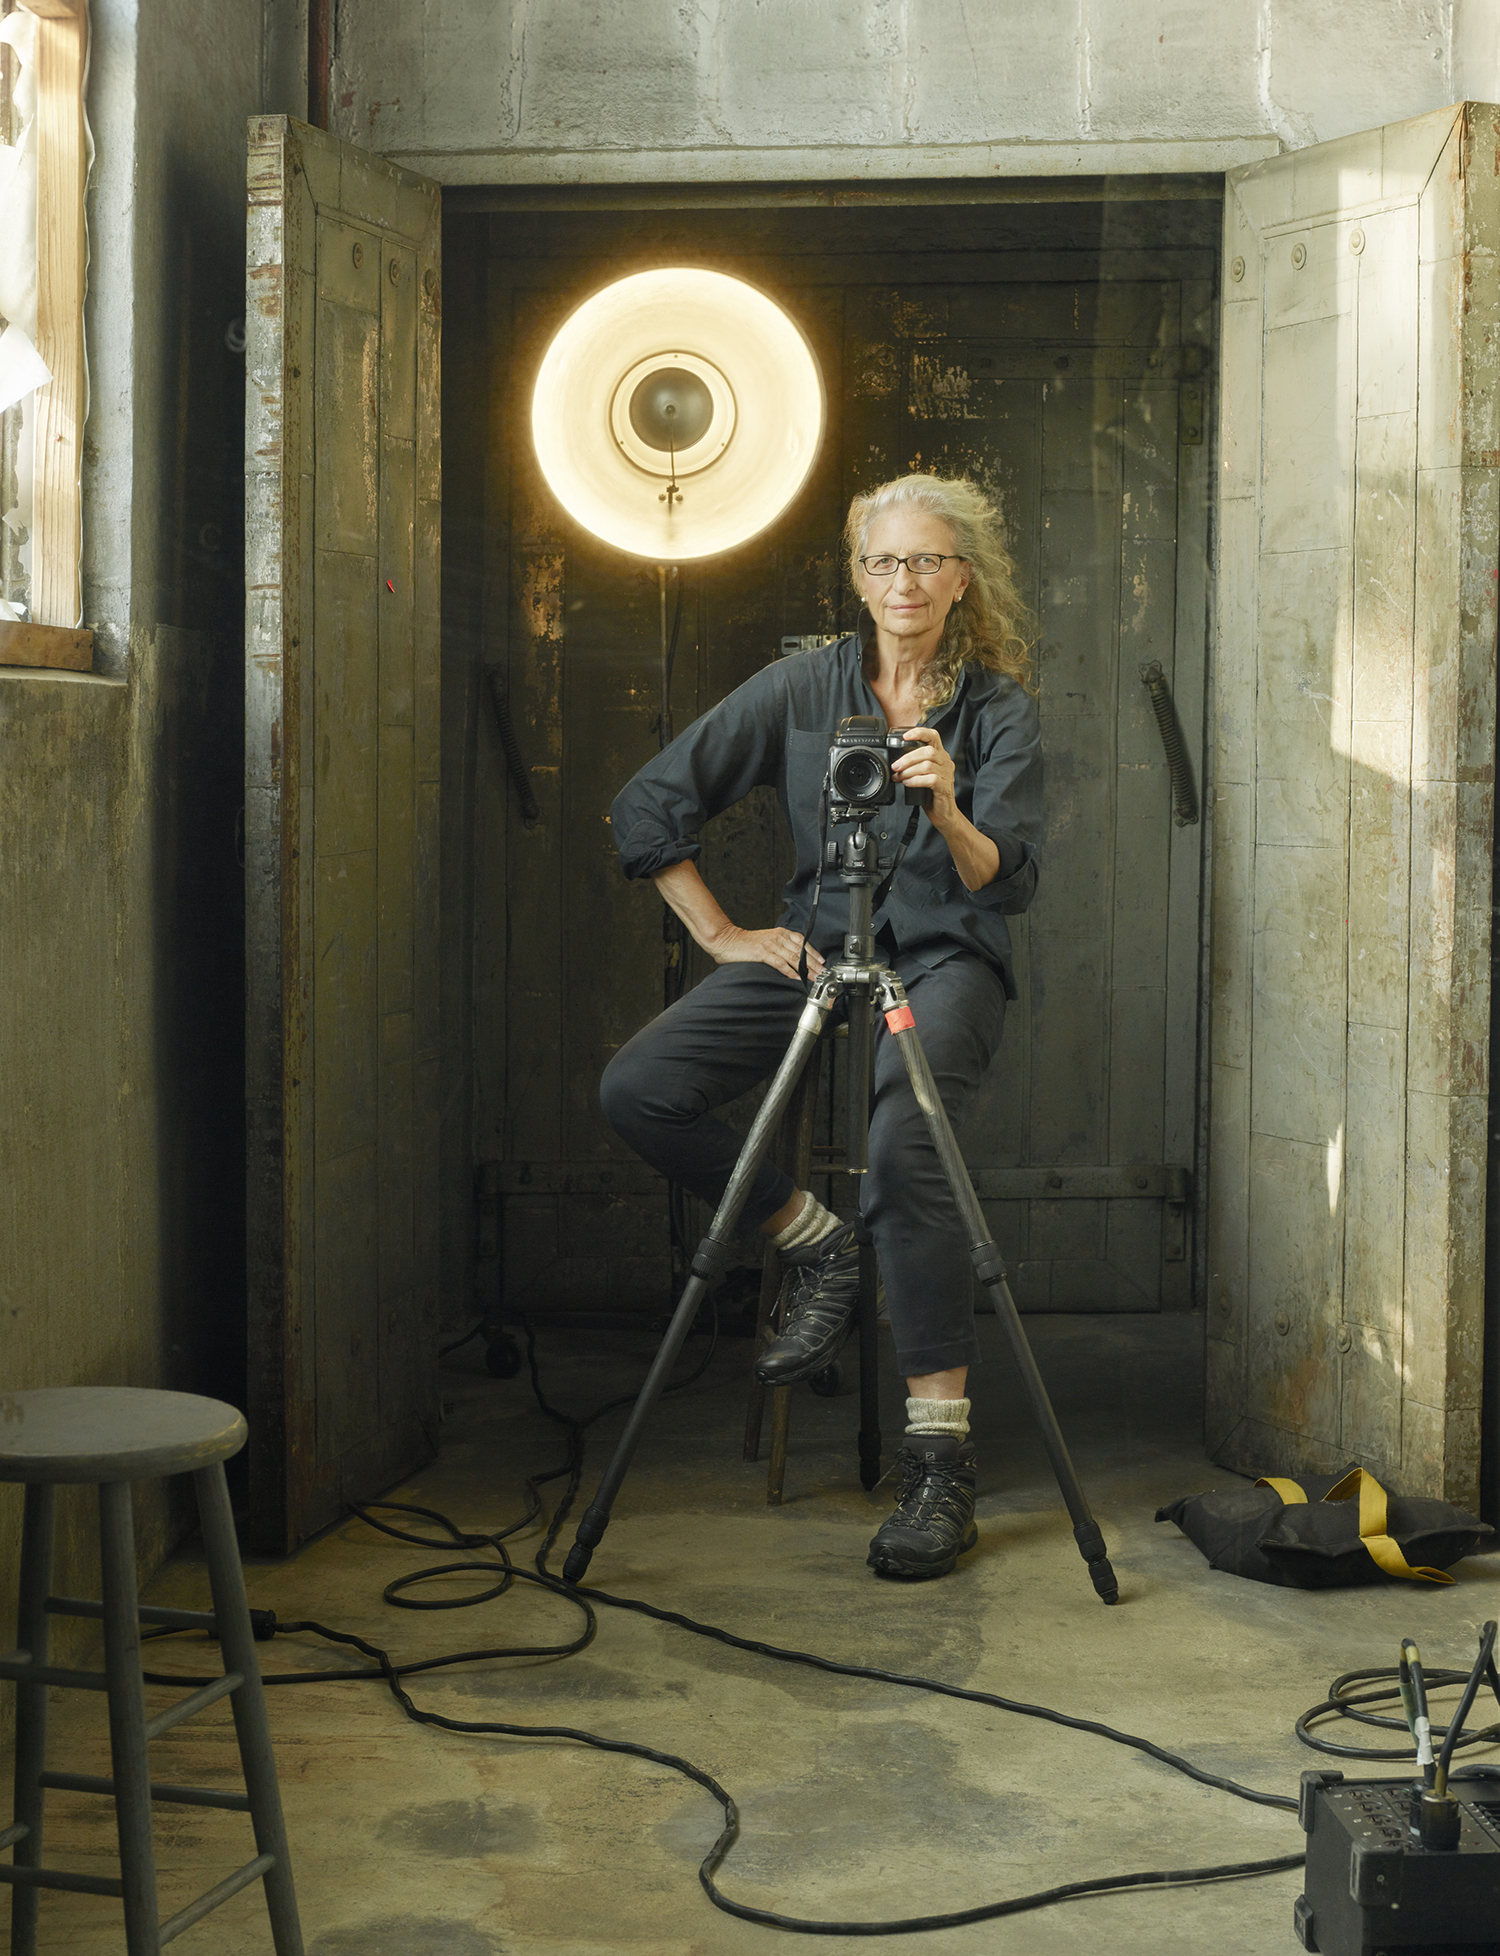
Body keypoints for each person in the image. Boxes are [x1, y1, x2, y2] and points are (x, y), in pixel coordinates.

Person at [600, 473, 1042, 1579]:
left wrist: (947, 804)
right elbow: (647, 803)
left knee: (908, 1142)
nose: (906, 581)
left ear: (962, 580)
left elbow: (1006, 885)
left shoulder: (997, 710)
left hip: (944, 958)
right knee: (639, 1087)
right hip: (812, 945)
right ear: (858, 577)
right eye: (885, 562)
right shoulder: (803, 688)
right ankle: (816, 1242)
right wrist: (720, 934)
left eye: (928, 561)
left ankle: (940, 1466)